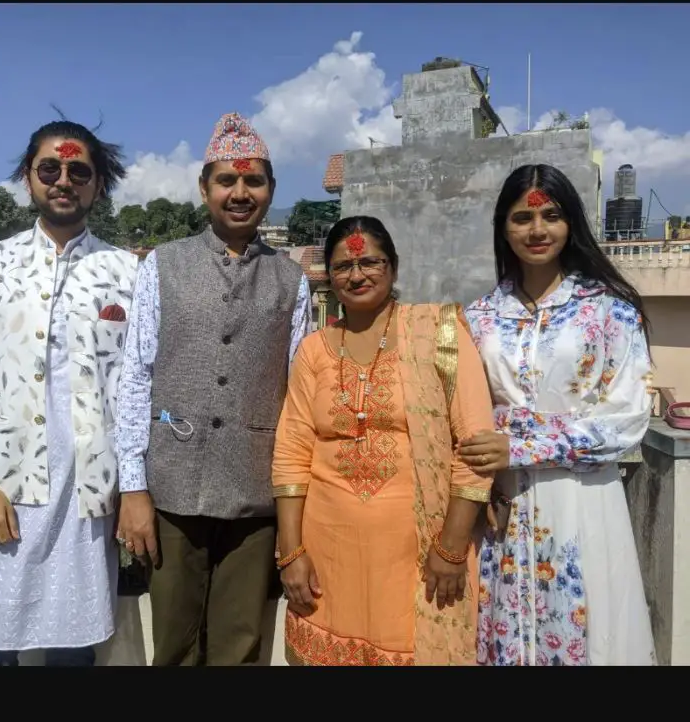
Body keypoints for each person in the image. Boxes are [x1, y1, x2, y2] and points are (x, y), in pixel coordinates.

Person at [0, 118, 139, 666]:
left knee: (74, 660)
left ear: (99, 184)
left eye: (79, 170)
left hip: (85, 510)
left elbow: (141, 387)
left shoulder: (128, 273)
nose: (63, 179)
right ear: (29, 177)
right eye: (50, 168)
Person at [115, 112, 312, 666]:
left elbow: (300, 391)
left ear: (271, 190)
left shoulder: (292, 280)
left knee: (242, 644)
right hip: (172, 487)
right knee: (174, 641)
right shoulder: (162, 265)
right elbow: (136, 376)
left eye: (254, 181)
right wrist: (133, 488)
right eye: (227, 180)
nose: (240, 192)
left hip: (255, 490)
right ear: (204, 189)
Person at [271, 215, 497, 666]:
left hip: (419, 557)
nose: (356, 275)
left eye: (369, 262)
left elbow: (474, 446)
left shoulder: (438, 332)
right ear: (329, 278)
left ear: (393, 267)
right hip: (325, 554)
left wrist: (450, 549)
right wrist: (291, 552)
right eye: (342, 266)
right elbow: (292, 450)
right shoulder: (315, 348)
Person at [459, 163, 656, 666]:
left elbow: (628, 417)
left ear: (572, 223)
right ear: (503, 227)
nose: (538, 229)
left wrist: (521, 444)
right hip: (501, 501)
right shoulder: (478, 317)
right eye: (522, 217)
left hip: (580, 498)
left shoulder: (610, 310)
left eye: (551, 215)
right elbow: (460, 407)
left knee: (586, 627)